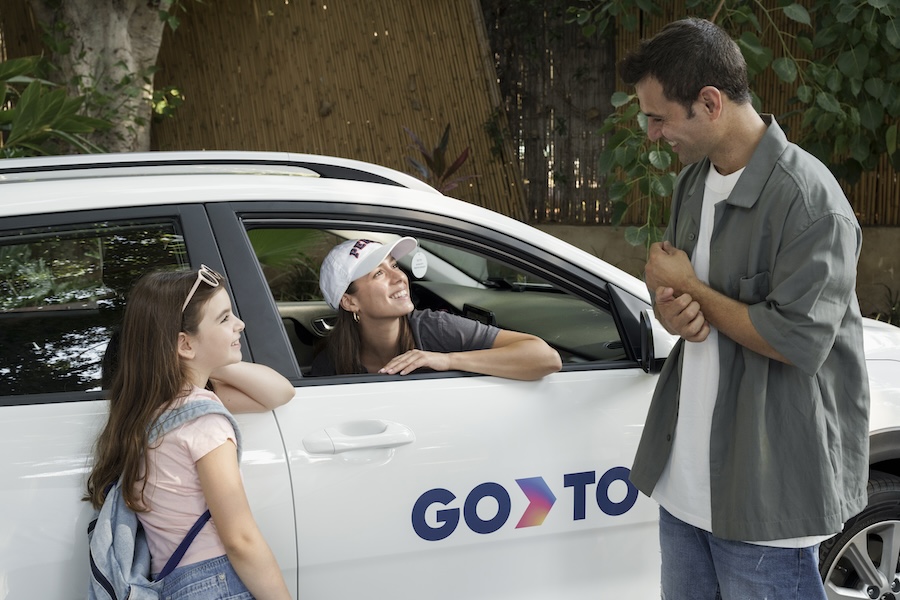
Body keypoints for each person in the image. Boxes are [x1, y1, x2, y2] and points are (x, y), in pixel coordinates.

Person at [619, 17, 870, 600]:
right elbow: (681, 299)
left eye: (658, 117)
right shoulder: (692, 182)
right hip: (683, 487)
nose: (652, 135)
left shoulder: (811, 203)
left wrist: (696, 291)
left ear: (709, 103)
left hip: (764, 493)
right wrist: (670, 308)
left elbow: (797, 342)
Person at [86, 265, 295, 599]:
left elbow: (279, 392)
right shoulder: (203, 421)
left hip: (175, 583)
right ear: (183, 343)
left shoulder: (152, 409)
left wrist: (211, 355)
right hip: (217, 582)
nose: (239, 324)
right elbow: (240, 540)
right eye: (225, 318)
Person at [310, 237, 562, 379]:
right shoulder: (331, 364)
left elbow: (546, 357)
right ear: (350, 301)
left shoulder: (433, 328)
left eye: (395, 266)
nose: (399, 278)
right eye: (378, 274)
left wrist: (446, 360)